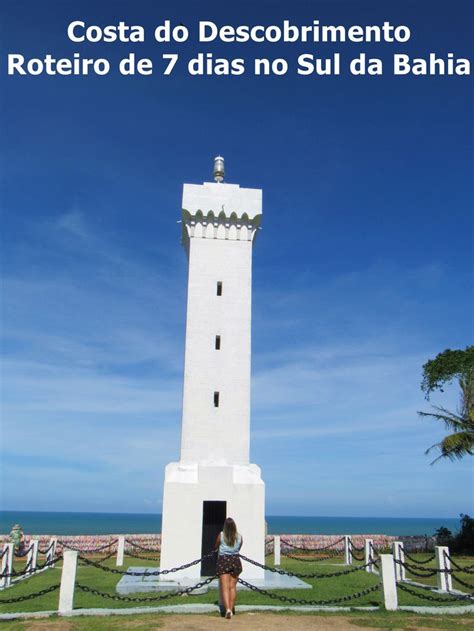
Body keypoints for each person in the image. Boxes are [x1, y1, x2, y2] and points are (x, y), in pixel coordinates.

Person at [215, 517, 243, 619]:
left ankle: (227, 609)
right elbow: (239, 547)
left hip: (223, 561)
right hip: (235, 561)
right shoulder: (239, 537)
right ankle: (231, 609)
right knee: (232, 587)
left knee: (225, 587)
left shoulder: (221, 535)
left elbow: (216, 545)